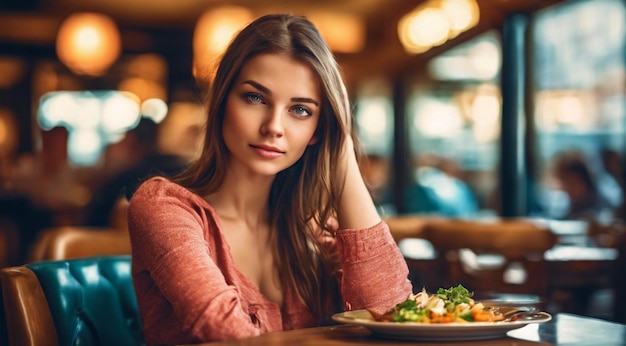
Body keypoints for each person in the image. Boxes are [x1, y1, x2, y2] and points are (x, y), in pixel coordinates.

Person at [127, 13, 412, 344]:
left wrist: (343, 150)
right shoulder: (163, 208)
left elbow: (394, 317)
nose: (274, 126)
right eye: (255, 98)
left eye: (300, 110)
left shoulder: (316, 232)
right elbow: (227, 334)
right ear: (222, 103)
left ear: (319, 129)